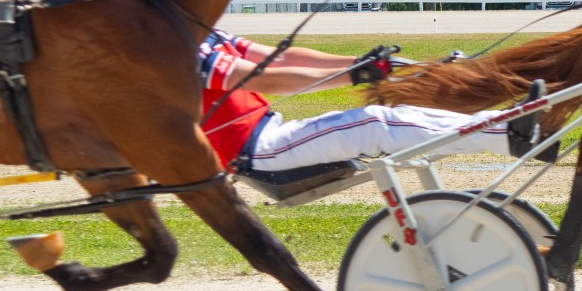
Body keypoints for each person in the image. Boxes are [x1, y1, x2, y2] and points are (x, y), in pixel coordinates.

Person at [199, 30, 526, 174]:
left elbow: (279, 58)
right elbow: (263, 79)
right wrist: (357, 75)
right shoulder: (186, 51)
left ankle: (499, 123)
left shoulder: (207, 34)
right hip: (257, 152)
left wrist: (359, 62)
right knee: (373, 123)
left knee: (396, 116)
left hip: (271, 130)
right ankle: (507, 133)